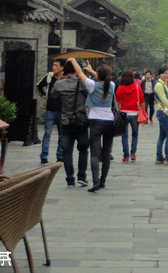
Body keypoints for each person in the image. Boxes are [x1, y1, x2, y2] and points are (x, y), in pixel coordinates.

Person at [49, 59, 90, 188]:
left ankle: (70, 179)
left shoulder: (59, 84)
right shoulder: (82, 83)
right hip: (81, 121)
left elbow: (53, 95)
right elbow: (89, 93)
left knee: (67, 151)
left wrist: (61, 80)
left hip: (66, 121)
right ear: (77, 70)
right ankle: (82, 177)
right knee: (83, 149)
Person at [78, 61, 115, 192]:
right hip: (110, 121)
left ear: (98, 75)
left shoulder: (92, 85)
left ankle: (95, 182)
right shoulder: (111, 85)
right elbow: (103, 78)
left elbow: (80, 73)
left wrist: (72, 60)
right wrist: (92, 71)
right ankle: (103, 181)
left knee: (94, 153)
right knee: (106, 153)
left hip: (95, 122)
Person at [36, 59, 66, 164]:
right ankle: (44, 156)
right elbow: (38, 86)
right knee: (47, 133)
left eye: (56, 65)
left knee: (62, 134)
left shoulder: (65, 78)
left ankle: (60, 155)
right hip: (50, 109)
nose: (53, 67)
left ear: (62, 67)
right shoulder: (49, 77)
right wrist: (45, 96)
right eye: (53, 65)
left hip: (62, 109)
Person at [115, 70, 143, 162]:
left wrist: (118, 109)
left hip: (123, 114)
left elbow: (117, 102)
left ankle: (126, 156)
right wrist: (143, 111)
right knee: (135, 134)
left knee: (124, 135)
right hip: (135, 113)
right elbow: (142, 101)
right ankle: (133, 153)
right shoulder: (137, 87)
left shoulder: (120, 88)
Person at [153, 67, 168, 165]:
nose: (165, 75)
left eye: (167, 73)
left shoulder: (164, 84)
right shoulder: (159, 85)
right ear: (159, 74)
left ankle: (159, 157)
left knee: (162, 135)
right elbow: (164, 99)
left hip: (163, 111)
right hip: (162, 111)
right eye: (163, 73)